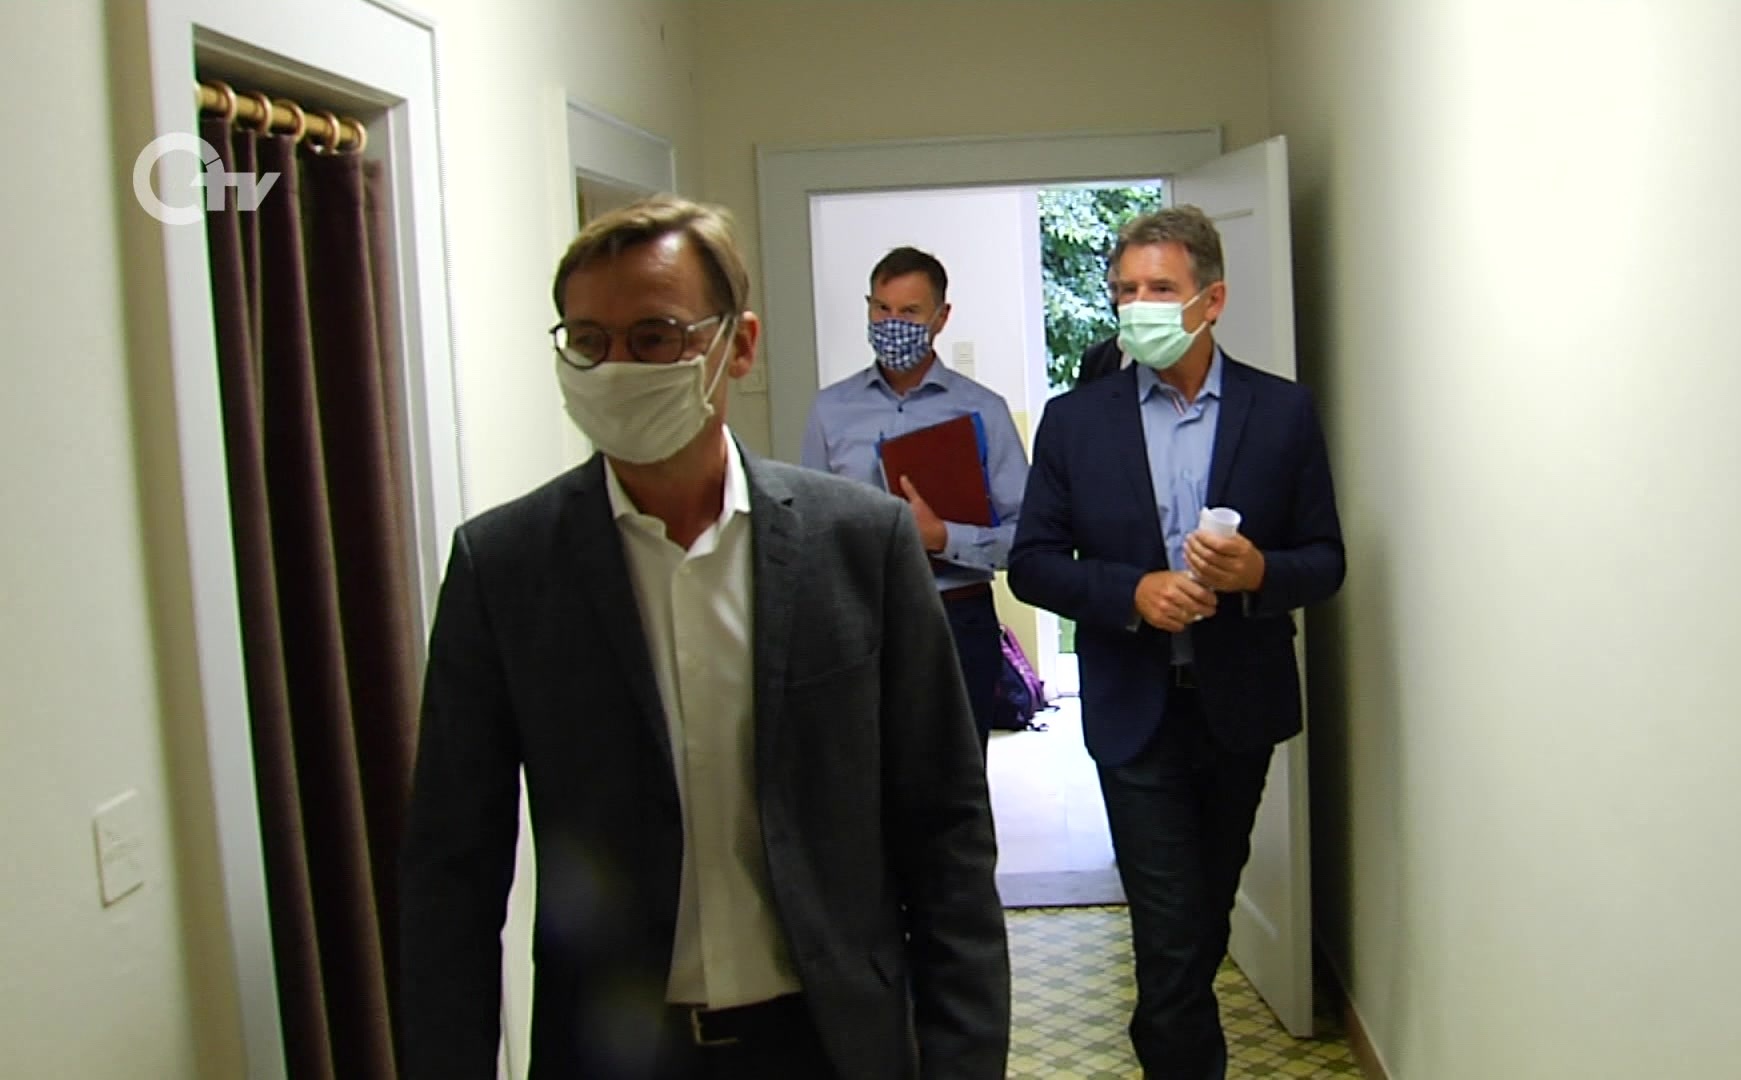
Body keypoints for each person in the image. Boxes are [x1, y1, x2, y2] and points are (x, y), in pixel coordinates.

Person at [400, 195, 1009, 1079]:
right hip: (612, 1050)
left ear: (740, 344)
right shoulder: (504, 568)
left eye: (654, 336)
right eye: (588, 341)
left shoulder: (860, 545)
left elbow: (946, 828)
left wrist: (963, 1062)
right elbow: (452, 869)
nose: (616, 368)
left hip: (833, 1044)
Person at [1008, 205, 1345, 1079]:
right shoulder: (1075, 420)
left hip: (1239, 707)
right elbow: (1033, 563)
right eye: (1125, 290)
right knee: (1167, 929)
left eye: (1160, 288)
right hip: (1134, 710)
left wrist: (1258, 571)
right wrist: (1132, 591)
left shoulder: (1282, 411)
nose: (1137, 306)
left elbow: (1327, 561)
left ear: (1211, 300)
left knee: (1203, 916)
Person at [800, 247, 1029, 751]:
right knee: (865, 770)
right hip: (860, 617)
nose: (892, 324)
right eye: (882, 309)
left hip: (956, 616)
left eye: (909, 312)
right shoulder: (830, 410)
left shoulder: (983, 410)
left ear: (941, 318)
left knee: (956, 773)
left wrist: (943, 537)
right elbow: (808, 531)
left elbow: (1026, 540)